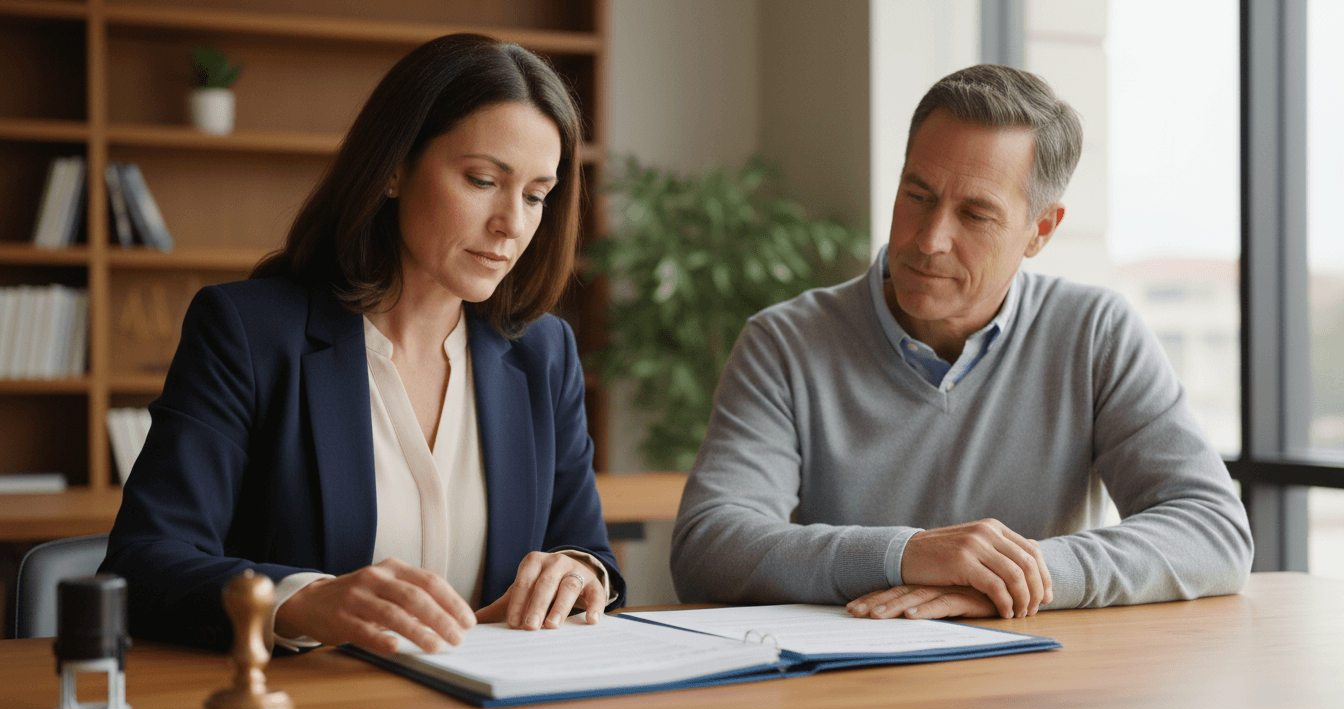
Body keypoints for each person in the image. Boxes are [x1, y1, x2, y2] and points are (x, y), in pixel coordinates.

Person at [101, 34, 624, 654]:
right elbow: (143, 562)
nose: (512, 223)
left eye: (537, 195)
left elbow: (589, 551)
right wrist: (301, 600)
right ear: (395, 168)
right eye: (483, 180)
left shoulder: (545, 353)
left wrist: (580, 573)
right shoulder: (247, 332)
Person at [671, 64, 1252, 620]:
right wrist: (905, 555)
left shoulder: (1095, 332)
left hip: (1040, 688)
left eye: (975, 214)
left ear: (1040, 231)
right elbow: (708, 546)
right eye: (917, 195)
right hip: (852, 690)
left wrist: (1018, 579)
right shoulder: (785, 342)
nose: (930, 240)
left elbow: (1213, 531)